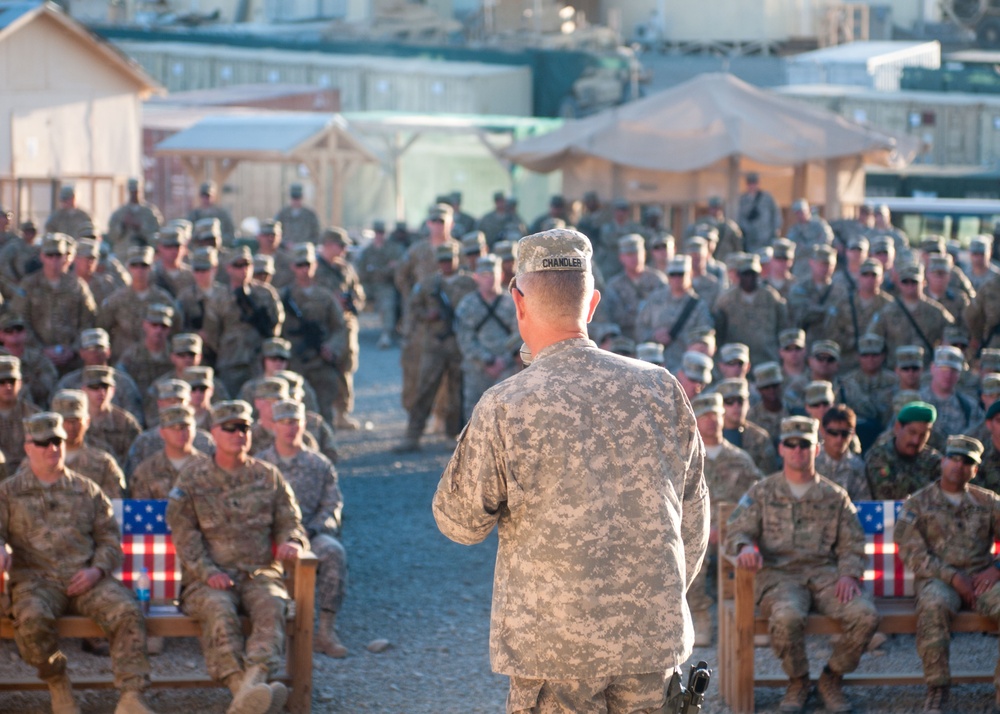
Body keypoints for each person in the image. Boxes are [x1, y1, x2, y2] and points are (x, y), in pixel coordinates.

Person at [432, 228, 709, 713]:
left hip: (554, 650)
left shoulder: (506, 405)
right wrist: (648, 597)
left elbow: (458, 523)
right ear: (593, 303)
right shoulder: (662, 390)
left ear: (518, 302)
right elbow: (693, 521)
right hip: (650, 643)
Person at [0, 412, 158, 714]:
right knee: (31, 622)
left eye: (57, 440)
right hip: (36, 582)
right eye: (44, 442)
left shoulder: (87, 490)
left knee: (126, 611)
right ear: (28, 446)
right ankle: (57, 681)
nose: (52, 448)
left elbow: (111, 541)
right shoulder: (8, 492)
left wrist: (96, 569)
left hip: (86, 579)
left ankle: (132, 696)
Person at [726, 416, 879, 714]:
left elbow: (853, 543)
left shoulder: (835, 496)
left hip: (825, 575)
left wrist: (848, 574)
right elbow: (737, 530)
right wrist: (745, 547)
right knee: (787, 618)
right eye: (791, 444)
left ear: (817, 449)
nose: (798, 450)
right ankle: (798, 681)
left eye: (805, 444)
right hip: (779, 577)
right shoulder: (762, 492)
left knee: (865, 615)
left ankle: (830, 678)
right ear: (781, 448)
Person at [166, 400, 307, 714]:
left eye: (243, 427)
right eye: (229, 428)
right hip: (208, 579)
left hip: (259, 574)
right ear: (214, 433)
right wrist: (206, 571)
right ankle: (242, 691)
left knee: (272, 604)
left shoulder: (268, 476)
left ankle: (251, 684)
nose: (237, 433)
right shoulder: (192, 478)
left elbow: (290, 521)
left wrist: (291, 542)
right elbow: (183, 533)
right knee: (218, 610)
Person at [893, 435, 998, 714]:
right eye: (953, 458)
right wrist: (953, 578)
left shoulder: (988, 502)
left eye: (967, 462)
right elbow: (911, 552)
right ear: (942, 461)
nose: (959, 466)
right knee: (933, 607)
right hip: (938, 580)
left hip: (982, 578)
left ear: (975, 470)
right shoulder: (918, 503)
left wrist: (995, 568)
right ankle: (937, 689)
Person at [257, 399, 348, 658]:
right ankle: (263, 634)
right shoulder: (260, 465)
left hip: (310, 535)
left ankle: (326, 632)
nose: (290, 428)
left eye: (295, 421)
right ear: (273, 425)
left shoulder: (319, 464)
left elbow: (333, 506)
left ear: (304, 424)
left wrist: (311, 532)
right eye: (284, 422)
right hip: (268, 537)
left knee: (333, 552)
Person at [689, 391, 761, 647]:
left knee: (752, 554)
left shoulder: (740, 460)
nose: (711, 420)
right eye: (704, 415)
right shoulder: (688, 458)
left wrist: (727, 525)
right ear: (695, 420)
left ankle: (750, 619)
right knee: (691, 561)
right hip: (696, 529)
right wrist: (703, 527)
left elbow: (752, 500)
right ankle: (701, 620)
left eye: (715, 415)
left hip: (734, 528)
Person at [280, 242, 349, 425]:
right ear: (292, 267)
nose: (304, 270)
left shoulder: (325, 296)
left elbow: (339, 327)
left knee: (324, 412)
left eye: (308, 265)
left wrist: (331, 348)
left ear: (315, 265)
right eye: (300, 265)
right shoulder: (284, 296)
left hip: (321, 362)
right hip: (294, 362)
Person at [203, 246, 284, 397]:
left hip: (260, 362)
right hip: (231, 362)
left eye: (246, 264)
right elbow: (211, 333)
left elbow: (276, 323)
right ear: (228, 268)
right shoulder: (219, 298)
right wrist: (228, 346)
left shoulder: (265, 293)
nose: (243, 270)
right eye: (238, 265)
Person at [14, 233, 97, 374]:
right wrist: (41, 349)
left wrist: (73, 349)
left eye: (58, 255)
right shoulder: (29, 285)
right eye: (49, 255)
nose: (54, 260)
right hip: (37, 360)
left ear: (66, 257)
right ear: (42, 257)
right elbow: (20, 321)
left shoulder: (77, 286)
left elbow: (88, 321)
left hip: (72, 360)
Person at [454, 254, 518, 422]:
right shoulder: (467, 305)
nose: (489, 280)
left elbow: (520, 336)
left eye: (493, 274)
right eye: (484, 275)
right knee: (474, 417)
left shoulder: (512, 303)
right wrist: (486, 360)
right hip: (477, 368)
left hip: (508, 369)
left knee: (508, 416)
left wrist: (504, 361)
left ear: (501, 275)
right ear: (476, 277)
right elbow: (464, 339)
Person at [314, 228, 365, 429]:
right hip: (325, 325)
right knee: (322, 369)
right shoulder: (314, 269)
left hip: (345, 324)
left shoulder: (346, 269)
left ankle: (342, 413)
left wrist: (351, 304)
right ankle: (323, 413)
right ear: (327, 245)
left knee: (346, 368)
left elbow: (359, 295)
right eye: (340, 245)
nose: (344, 250)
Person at [99, 246, 181, 361]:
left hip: (157, 361)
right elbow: (104, 327)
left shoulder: (163, 299)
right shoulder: (117, 299)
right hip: (123, 359)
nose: (139, 270)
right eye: (135, 265)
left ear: (151, 268)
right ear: (128, 267)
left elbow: (177, 327)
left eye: (144, 266)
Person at [714, 253, 789, 367]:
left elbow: (783, 325)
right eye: (746, 274)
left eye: (752, 274)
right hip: (737, 362)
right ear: (739, 275)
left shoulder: (770, 297)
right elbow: (719, 330)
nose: (749, 278)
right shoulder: (726, 300)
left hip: (767, 357)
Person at [865, 401, 943, 499]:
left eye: (923, 435)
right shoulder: (879, 456)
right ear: (898, 427)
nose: (916, 441)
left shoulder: (934, 461)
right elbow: (885, 493)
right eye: (912, 432)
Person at [357, 221, 403, 349]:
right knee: (353, 298)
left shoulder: (393, 249)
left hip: (385, 284)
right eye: (377, 232)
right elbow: (361, 271)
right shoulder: (367, 251)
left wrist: (380, 271)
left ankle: (386, 334)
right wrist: (384, 268)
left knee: (388, 302)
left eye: (381, 232)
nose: (379, 235)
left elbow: (396, 268)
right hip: (369, 284)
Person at [816, 405, 870, 500]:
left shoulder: (857, 467)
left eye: (845, 434)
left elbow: (863, 502)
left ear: (852, 434)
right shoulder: (810, 461)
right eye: (833, 432)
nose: (839, 439)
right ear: (823, 431)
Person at [0, 355, 40, 471]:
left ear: (20, 383)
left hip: (28, 476)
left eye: (12, 381)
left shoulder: (34, 415)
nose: (7, 386)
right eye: (1, 382)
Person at [107, 177, 163, 255]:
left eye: (136, 191)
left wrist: (140, 226)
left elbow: (157, 233)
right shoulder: (119, 213)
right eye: (132, 192)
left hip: (145, 254)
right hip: (124, 254)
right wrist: (123, 225)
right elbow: (112, 235)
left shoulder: (150, 212)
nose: (134, 194)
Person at [736, 172, 781, 253]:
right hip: (750, 240)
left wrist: (775, 232)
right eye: (750, 183)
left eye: (754, 183)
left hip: (766, 238)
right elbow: (740, 218)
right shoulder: (743, 200)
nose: (752, 186)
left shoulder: (767, 198)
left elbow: (776, 215)